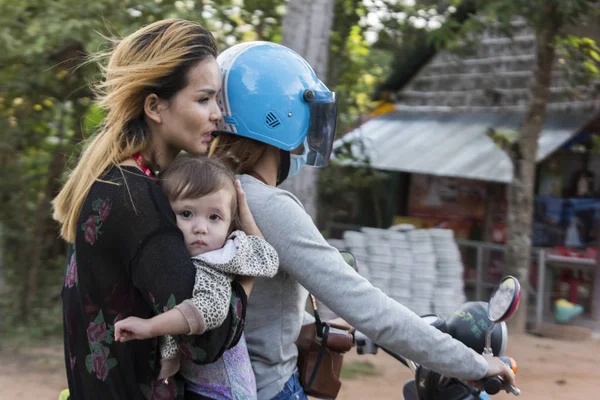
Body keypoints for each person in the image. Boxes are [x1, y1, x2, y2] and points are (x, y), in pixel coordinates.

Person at [208, 41, 517, 400]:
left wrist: (308, 324)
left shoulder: (207, 193)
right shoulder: (267, 204)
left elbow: (248, 309)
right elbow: (367, 306)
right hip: (269, 389)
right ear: (281, 113)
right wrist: (475, 365)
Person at [52, 19, 261, 400]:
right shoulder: (137, 200)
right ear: (155, 106)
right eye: (203, 99)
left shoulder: (114, 182)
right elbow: (206, 341)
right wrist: (249, 265)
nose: (218, 114)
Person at [113, 156, 279, 397]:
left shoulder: (216, 262)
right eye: (187, 213)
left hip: (223, 392)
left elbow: (208, 309)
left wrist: (149, 327)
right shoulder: (175, 260)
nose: (200, 227)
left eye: (214, 217)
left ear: (230, 225)